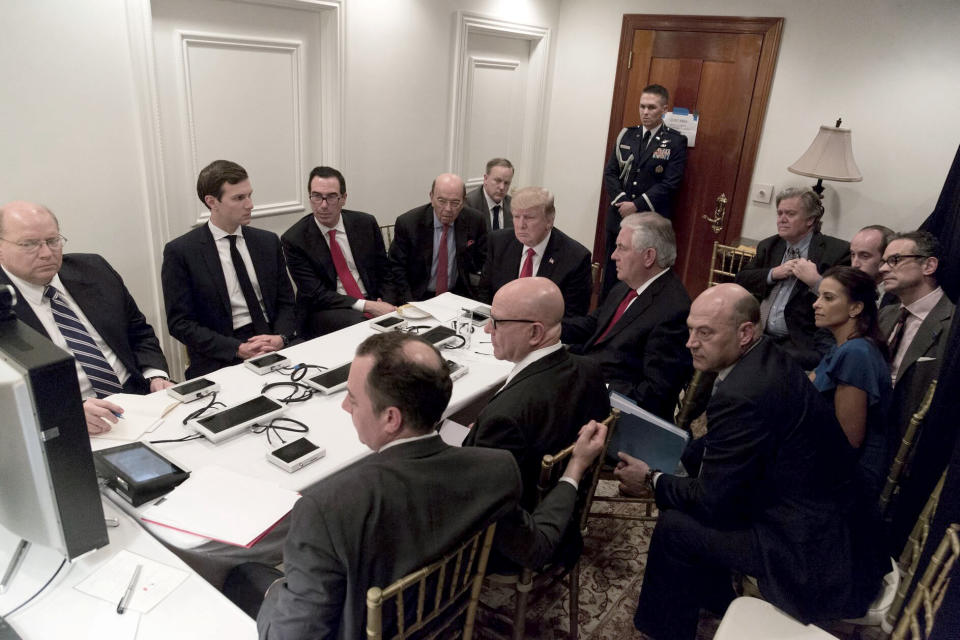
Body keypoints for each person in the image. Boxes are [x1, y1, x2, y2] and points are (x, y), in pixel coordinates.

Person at [253, 331, 607, 640]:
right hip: (448, 616)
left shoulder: (324, 508)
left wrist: (273, 592)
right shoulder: (495, 470)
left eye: (354, 398)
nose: (346, 407)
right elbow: (536, 547)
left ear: (391, 418)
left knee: (242, 574)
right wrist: (573, 470)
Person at [616, 284, 884, 640]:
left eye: (705, 333)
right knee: (695, 495)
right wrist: (684, 451)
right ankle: (717, 599)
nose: (690, 343)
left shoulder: (743, 392)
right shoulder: (764, 358)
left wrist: (651, 479)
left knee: (676, 527)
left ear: (745, 333)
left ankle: (664, 632)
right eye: (691, 330)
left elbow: (713, 501)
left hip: (812, 551)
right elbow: (733, 444)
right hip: (832, 519)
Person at [0, 201, 174, 434]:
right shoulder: (3, 303)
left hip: (140, 400)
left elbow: (138, 332)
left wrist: (155, 375)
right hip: (66, 425)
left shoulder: (94, 269)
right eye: (29, 244)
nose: (46, 253)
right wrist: (69, 411)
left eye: (53, 241)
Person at [464, 277, 609, 509]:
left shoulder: (504, 417)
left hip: (522, 528)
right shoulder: (590, 369)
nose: (487, 328)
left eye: (497, 322)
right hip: (565, 505)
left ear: (534, 333)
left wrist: (481, 436)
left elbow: (475, 496)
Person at [161, 160, 297, 379]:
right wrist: (236, 348)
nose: (250, 204)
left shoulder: (267, 242)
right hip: (221, 353)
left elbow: (286, 301)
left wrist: (280, 337)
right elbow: (180, 323)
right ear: (212, 202)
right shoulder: (182, 251)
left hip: (274, 338)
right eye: (239, 198)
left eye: (249, 195)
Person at [563, 212, 691, 421]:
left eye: (622, 247)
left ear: (648, 256)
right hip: (586, 377)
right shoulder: (626, 285)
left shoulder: (674, 310)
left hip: (611, 411)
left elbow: (655, 393)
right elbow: (595, 324)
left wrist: (590, 383)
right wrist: (553, 328)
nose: (613, 255)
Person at [736, 187, 850, 370]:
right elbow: (742, 278)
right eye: (779, 213)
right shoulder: (770, 245)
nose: (782, 219)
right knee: (718, 352)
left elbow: (845, 300)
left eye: (790, 214)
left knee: (763, 371)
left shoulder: (835, 251)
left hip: (798, 341)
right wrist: (773, 273)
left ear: (810, 220)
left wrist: (815, 282)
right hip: (758, 332)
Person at [281, 166, 396, 337]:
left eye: (332, 197)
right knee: (362, 325)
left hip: (371, 298)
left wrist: (386, 302)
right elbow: (317, 294)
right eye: (317, 197)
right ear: (310, 197)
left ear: (344, 198)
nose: (323, 205)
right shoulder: (294, 239)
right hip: (326, 309)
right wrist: (369, 306)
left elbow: (385, 270)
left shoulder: (365, 223)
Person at [810, 266, 892, 500]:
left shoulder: (856, 353)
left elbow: (847, 442)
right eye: (819, 296)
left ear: (856, 308)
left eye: (828, 298)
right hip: (826, 460)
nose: (816, 304)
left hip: (848, 481)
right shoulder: (844, 346)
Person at [601, 84, 688, 296]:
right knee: (613, 274)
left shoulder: (675, 141)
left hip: (650, 221)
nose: (645, 112)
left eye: (651, 107)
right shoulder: (626, 135)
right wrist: (622, 201)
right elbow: (611, 172)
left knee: (642, 276)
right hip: (619, 217)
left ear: (664, 110)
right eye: (642, 106)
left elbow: (670, 183)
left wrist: (636, 205)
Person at [878, 231, 954, 432]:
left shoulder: (953, 323)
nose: (883, 269)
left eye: (895, 260)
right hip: (875, 424)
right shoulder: (885, 315)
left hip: (917, 433)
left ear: (928, 266)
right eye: (884, 261)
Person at [478, 186, 592, 317]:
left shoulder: (575, 258)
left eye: (529, 217)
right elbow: (484, 293)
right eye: (516, 216)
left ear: (549, 220)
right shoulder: (499, 242)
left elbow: (573, 317)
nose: (521, 225)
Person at [387, 173, 487, 302]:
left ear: (463, 201)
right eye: (442, 201)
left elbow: (484, 262)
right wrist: (408, 303)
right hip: (419, 296)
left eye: (455, 203)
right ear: (431, 197)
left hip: (458, 295)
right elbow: (396, 268)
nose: (448, 209)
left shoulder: (475, 220)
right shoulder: (409, 223)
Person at [850, 224, 896, 307]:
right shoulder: (850, 289)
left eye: (864, 256)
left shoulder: (900, 294)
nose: (854, 264)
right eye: (853, 255)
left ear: (887, 257)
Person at [465, 157, 514, 231]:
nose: (502, 187)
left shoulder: (512, 205)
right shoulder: (469, 204)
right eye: (498, 181)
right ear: (485, 179)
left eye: (506, 183)